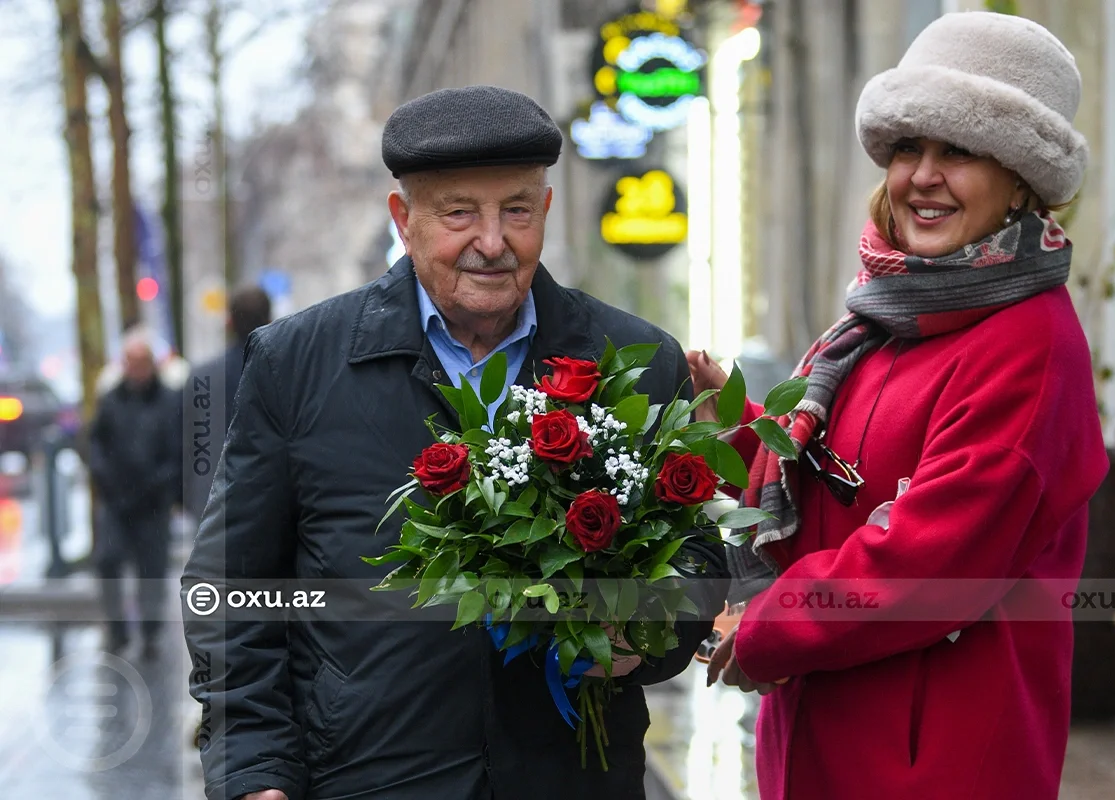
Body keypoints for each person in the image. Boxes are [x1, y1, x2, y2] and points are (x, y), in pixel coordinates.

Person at [181, 85, 728, 800]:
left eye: (517, 211)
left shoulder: (636, 358)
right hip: (368, 780)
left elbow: (697, 557)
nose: (493, 243)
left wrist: (647, 633)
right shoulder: (295, 363)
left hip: (573, 779)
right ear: (404, 220)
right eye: (460, 213)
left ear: (547, 211)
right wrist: (255, 774)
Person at [691, 12, 1108, 800]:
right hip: (827, 733)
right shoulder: (888, 314)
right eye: (909, 147)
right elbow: (841, 483)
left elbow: (931, 557)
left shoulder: (1028, 344)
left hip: (931, 759)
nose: (922, 174)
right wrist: (735, 433)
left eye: (959, 150)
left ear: (1021, 178)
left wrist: (772, 627)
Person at [90, 328, 182, 658]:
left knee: (152, 569)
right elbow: (96, 444)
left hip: (153, 503)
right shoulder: (111, 399)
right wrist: (106, 481)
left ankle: (150, 634)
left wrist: (159, 486)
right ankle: (117, 630)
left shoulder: (170, 400)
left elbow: (178, 452)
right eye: (130, 362)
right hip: (116, 501)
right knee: (107, 560)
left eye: (142, 362)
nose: (136, 369)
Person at [182, 284, 273, 522]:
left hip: (212, 504)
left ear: (229, 322)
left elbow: (188, 444)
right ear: (270, 318)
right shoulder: (285, 373)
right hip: (269, 502)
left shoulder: (202, 377)